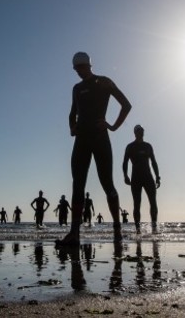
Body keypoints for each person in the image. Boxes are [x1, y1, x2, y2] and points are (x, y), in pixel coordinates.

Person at [56, 52, 132, 247]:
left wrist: (112, 126)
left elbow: (126, 105)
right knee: (77, 185)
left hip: (100, 139)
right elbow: (72, 114)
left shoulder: (104, 82)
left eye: (79, 68)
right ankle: (74, 234)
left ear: (87, 65)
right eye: (75, 69)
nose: (77, 72)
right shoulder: (77, 88)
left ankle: (117, 230)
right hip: (81, 140)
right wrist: (72, 128)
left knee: (107, 184)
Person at [123, 124, 161, 234]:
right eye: (138, 131)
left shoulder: (148, 146)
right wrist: (125, 175)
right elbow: (125, 162)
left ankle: (154, 228)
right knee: (137, 203)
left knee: (153, 202)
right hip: (136, 178)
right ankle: (138, 230)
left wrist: (157, 176)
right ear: (135, 133)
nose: (140, 132)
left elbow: (153, 162)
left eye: (142, 130)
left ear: (143, 132)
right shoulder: (130, 147)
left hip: (148, 177)